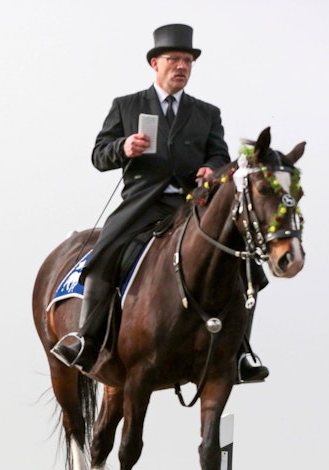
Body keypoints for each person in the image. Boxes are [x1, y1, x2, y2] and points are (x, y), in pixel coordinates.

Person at [50, 23, 268, 382]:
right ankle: (87, 341)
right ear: (155, 63)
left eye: (187, 60)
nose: (181, 66)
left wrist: (211, 170)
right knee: (104, 255)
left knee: (247, 267)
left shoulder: (206, 113)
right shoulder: (127, 105)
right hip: (141, 205)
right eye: (174, 59)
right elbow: (98, 155)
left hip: (191, 205)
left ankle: (242, 353)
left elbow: (219, 154)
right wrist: (123, 148)